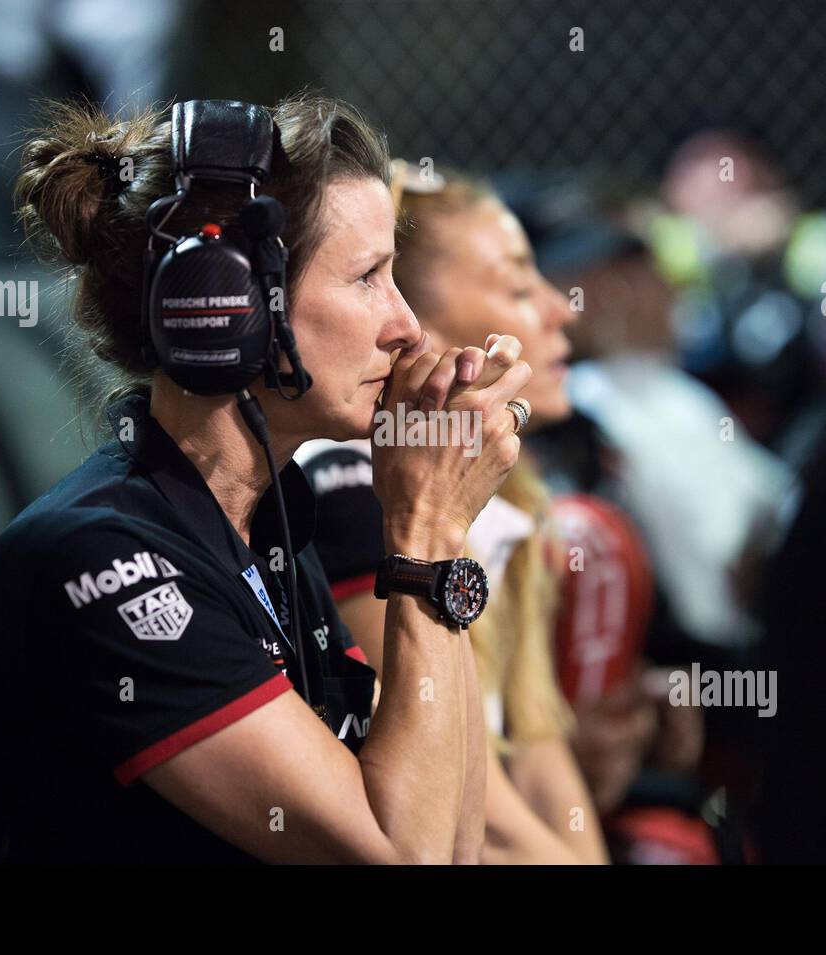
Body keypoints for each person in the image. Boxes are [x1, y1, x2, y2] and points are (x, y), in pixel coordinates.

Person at [0, 93, 534, 864]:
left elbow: (453, 842)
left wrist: (436, 542)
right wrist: (428, 530)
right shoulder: (101, 558)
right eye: (367, 278)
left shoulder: (268, 523)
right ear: (227, 304)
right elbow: (403, 854)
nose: (407, 325)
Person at [300, 163, 621, 863]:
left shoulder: (516, 498)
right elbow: (469, 824)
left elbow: (536, 752)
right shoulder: (352, 488)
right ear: (421, 323)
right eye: (516, 284)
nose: (560, 307)